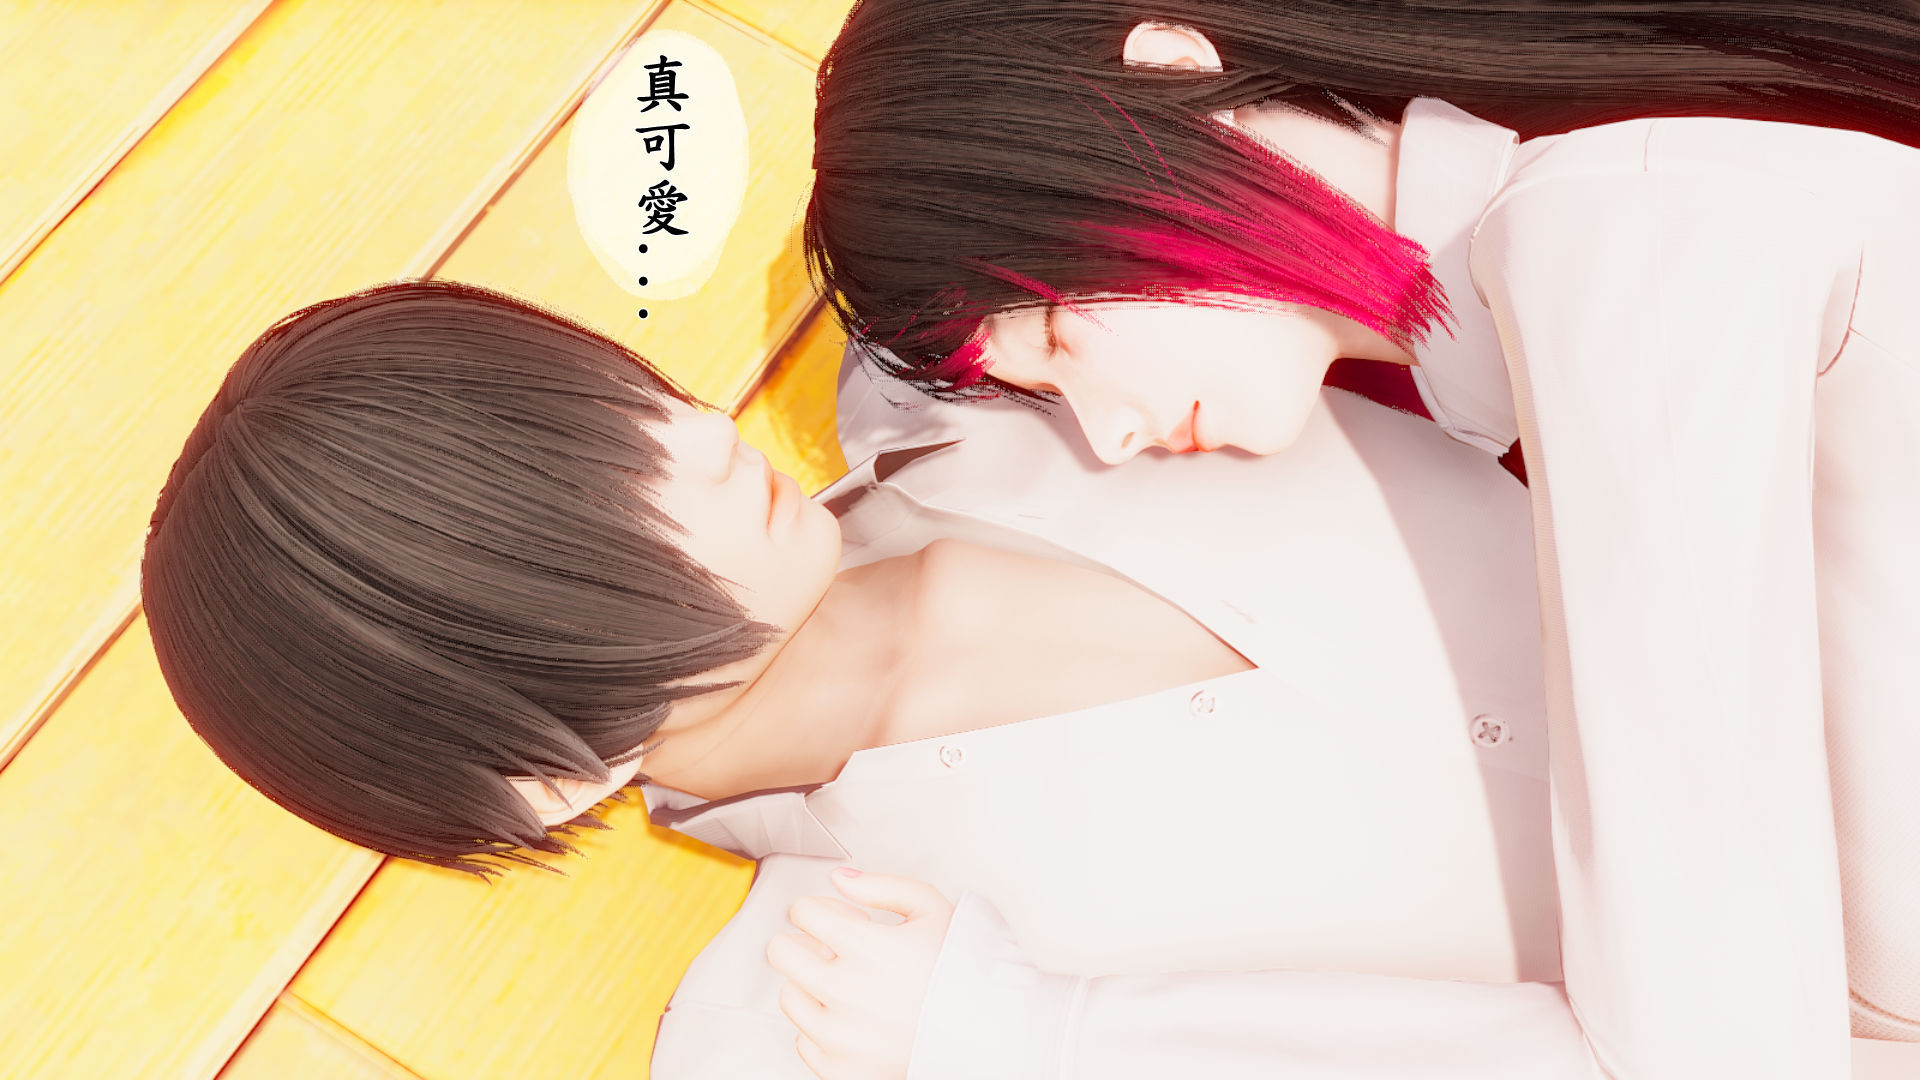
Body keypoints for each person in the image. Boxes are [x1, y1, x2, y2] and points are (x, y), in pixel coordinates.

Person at [804, 1, 1920, 1074]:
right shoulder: (1558, 305)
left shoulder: (1615, 246)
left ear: (1172, 71)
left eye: (1054, 333)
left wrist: (1041, 1037)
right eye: (1044, 393)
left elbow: (1720, 1055)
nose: (1107, 434)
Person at [144, 281, 1604, 1076]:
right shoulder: (821, 1028)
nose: (697, 440)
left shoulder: (981, 342)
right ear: (546, 777)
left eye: (624, 409)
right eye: (598, 514)